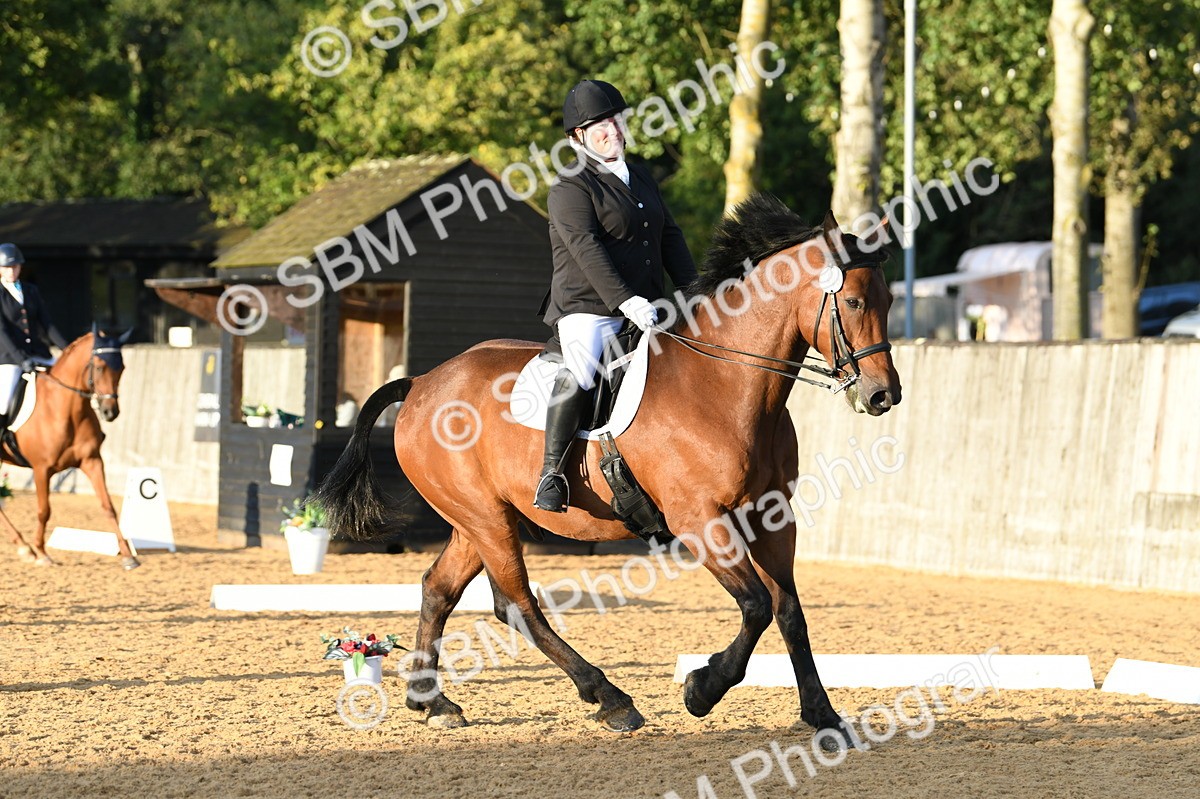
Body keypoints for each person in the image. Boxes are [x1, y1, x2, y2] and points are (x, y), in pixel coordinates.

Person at [533, 79, 698, 513]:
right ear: (578, 136)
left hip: (648, 306)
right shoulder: (571, 186)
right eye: (600, 125)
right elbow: (585, 247)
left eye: (617, 120)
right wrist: (625, 300)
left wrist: (696, 291)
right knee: (583, 367)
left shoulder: (640, 176)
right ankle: (551, 473)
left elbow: (670, 236)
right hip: (589, 307)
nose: (613, 130)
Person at [0, 244, 68, 430]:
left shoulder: (31, 291)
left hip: (38, 353)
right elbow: (2, 332)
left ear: (20, 267)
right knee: (4, 402)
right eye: (7, 267)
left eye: (14, 266)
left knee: (69, 380)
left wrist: (68, 350)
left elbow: (47, 324)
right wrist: (21, 360)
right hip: (10, 359)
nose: (11, 271)